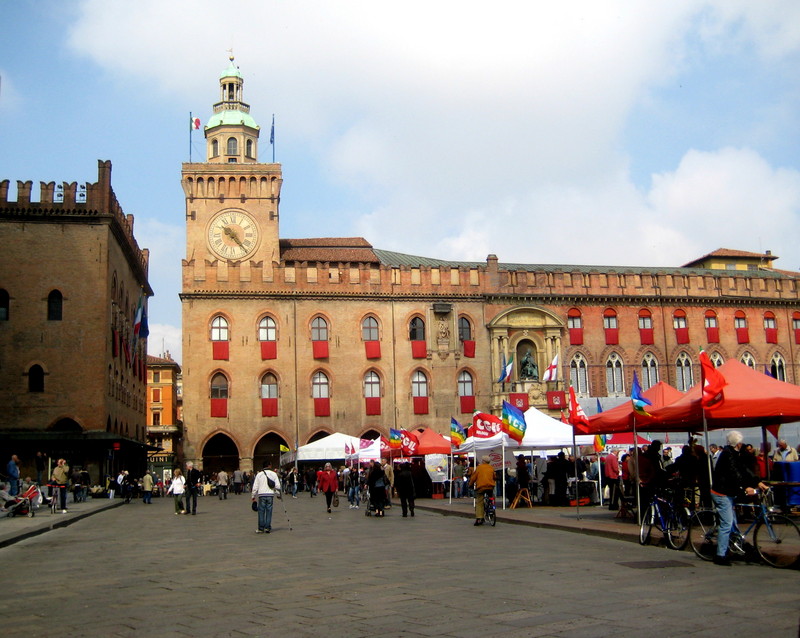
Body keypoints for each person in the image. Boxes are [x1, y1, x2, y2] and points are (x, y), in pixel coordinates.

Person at [711, 430, 767, 566]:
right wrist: (745, 487)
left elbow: (743, 470)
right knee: (727, 524)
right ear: (738, 444)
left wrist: (757, 481)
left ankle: (738, 545)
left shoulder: (733, 453)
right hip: (721, 493)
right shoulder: (728, 455)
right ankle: (720, 555)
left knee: (732, 522)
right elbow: (734, 474)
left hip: (728, 492)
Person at [251, 462, 281, 533]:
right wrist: (278, 494)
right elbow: (278, 486)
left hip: (262, 495)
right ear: (269, 466)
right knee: (269, 511)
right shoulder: (273, 474)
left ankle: (261, 528)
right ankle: (267, 527)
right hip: (270, 494)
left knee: (261, 511)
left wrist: (253, 496)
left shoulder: (259, 474)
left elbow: (255, 486)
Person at [468, 456, 495, 525]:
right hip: (490, 487)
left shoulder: (479, 468)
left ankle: (479, 518)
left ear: (483, 461)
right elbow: (494, 476)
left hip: (481, 487)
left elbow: (473, 478)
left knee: (479, 502)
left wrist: (470, 484)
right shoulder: (491, 468)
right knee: (491, 497)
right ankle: (492, 507)